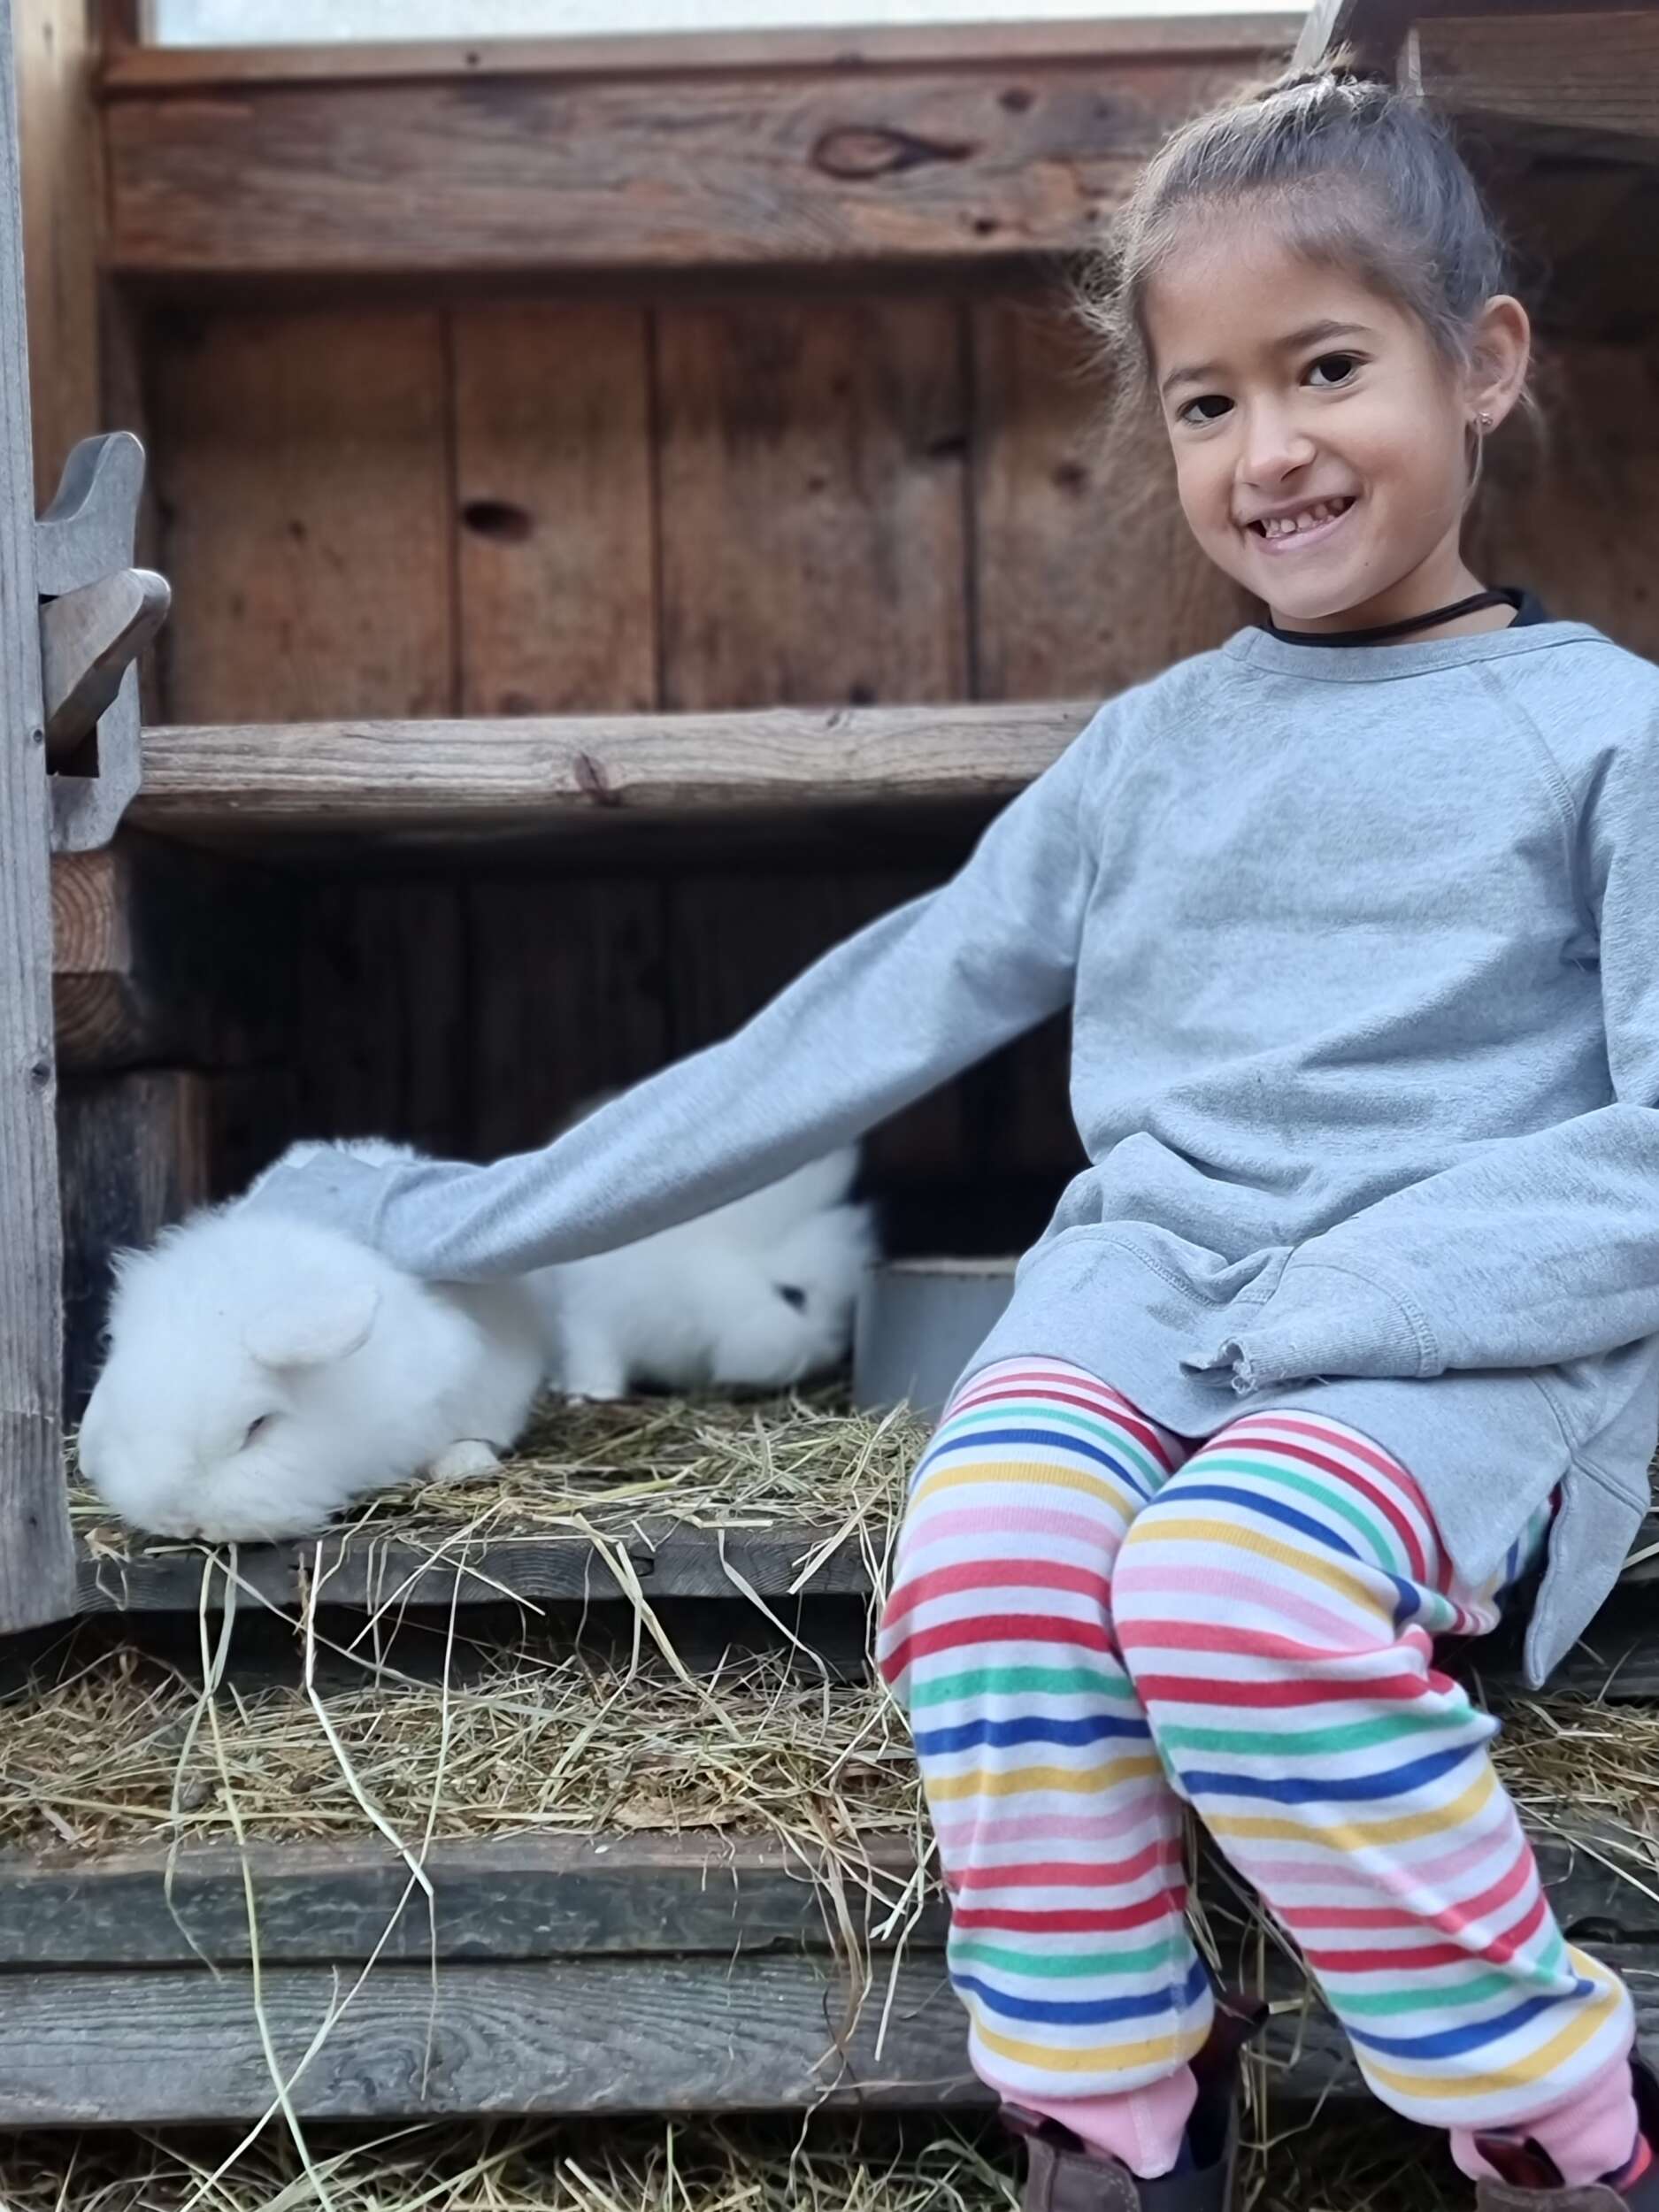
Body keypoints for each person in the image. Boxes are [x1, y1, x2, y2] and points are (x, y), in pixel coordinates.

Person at [249, 62, 1659, 2211]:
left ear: (1476, 367)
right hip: (1146, 1303)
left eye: (1324, 369)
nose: (1266, 449)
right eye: (1203, 402)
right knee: (992, 1556)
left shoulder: (1602, 734)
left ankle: (1551, 2127)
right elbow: (862, 1015)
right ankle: (1116, 2117)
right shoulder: (1147, 754)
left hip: (1432, 1338)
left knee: (1223, 1591)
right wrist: (479, 1213)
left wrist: (1349, 1294)